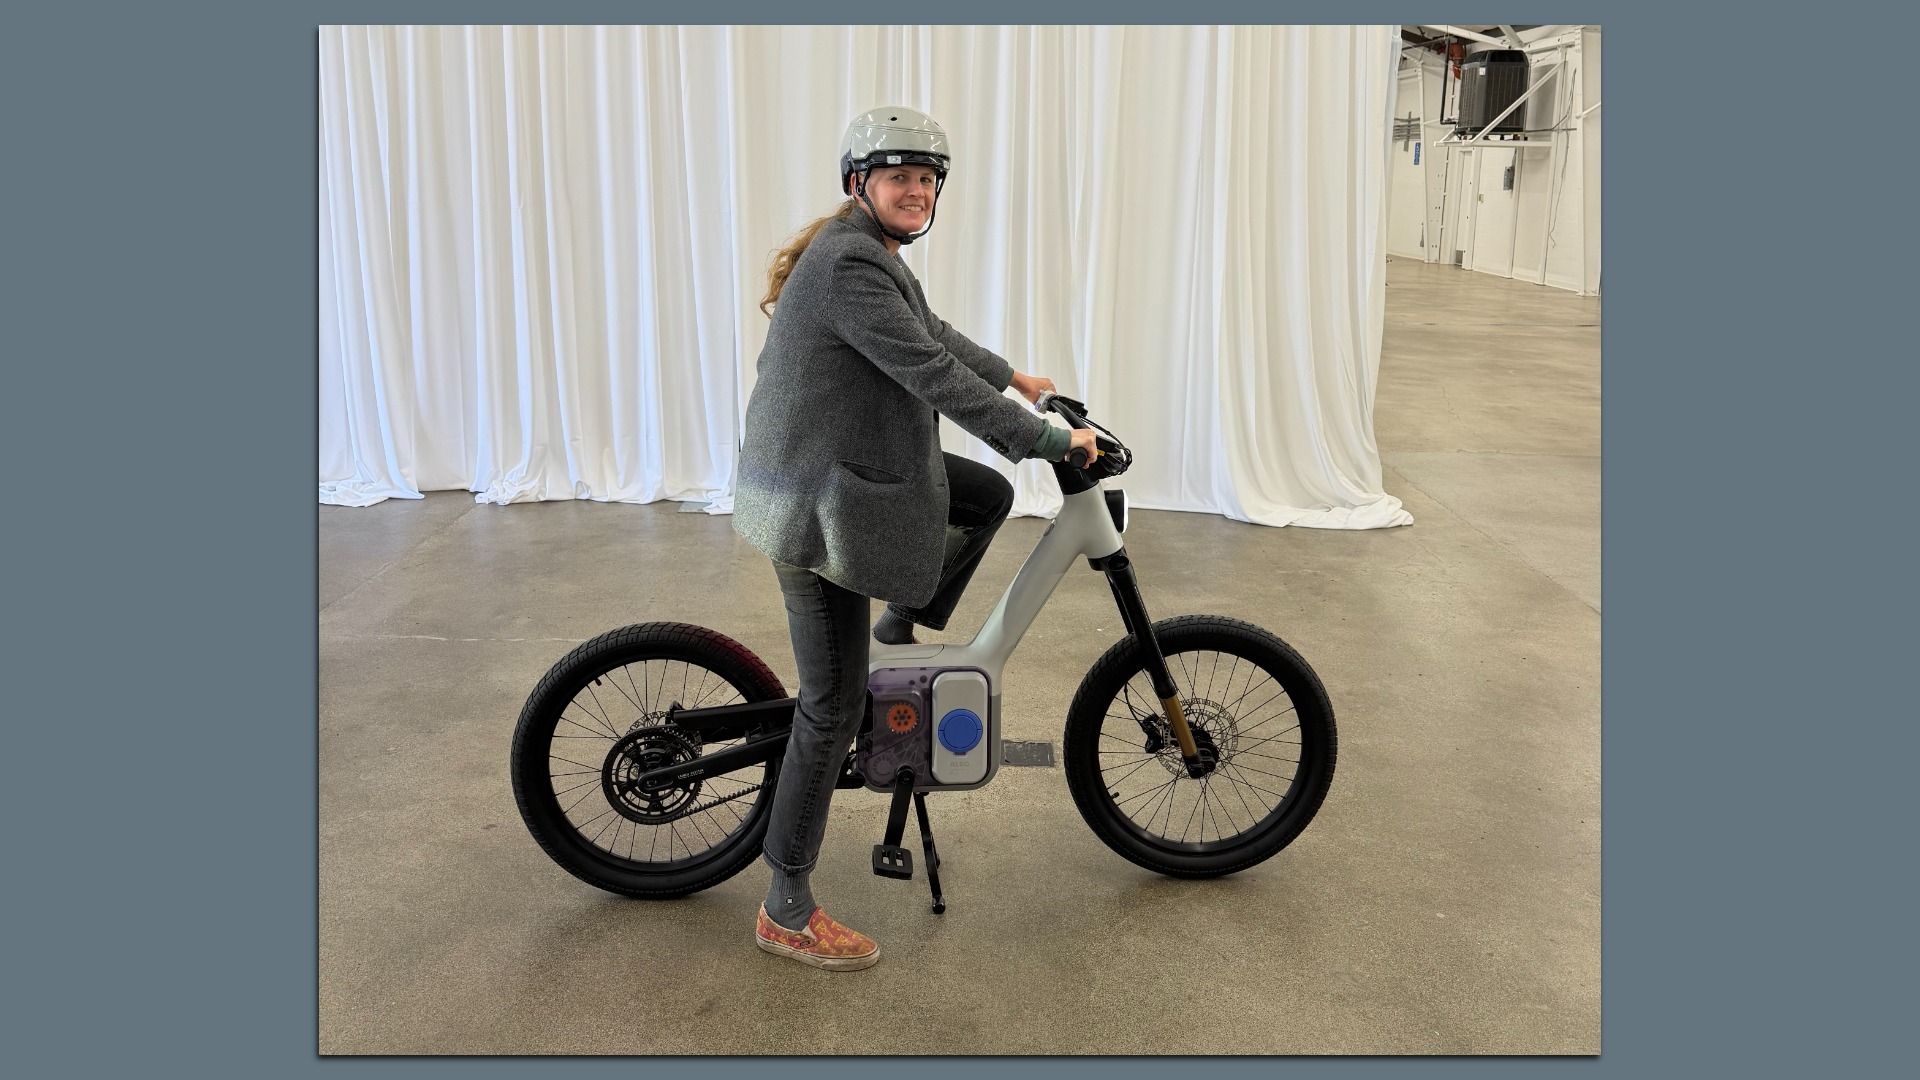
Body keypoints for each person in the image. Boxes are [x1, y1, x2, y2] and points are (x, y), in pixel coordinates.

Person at [731, 106, 1097, 970]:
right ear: (860, 182)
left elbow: (930, 335)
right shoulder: (850, 264)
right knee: (830, 706)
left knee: (983, 495)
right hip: (815, 505)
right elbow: (929, 374)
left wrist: (1016, 376)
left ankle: (901, 619)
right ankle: (785, 901)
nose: (918, 190)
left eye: (928, 179)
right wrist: (1050, 440)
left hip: (845, 475)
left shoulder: (870, 254)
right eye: (900, 176)